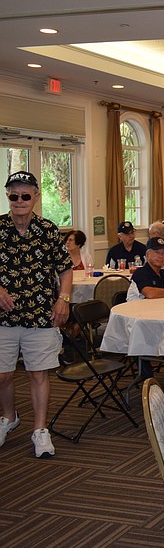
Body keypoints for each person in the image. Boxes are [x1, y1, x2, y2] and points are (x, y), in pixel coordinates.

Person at [0, 171, 73, 458]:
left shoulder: (49, 230)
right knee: (4, 376)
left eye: (25, 195)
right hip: (4, 317)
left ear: (35, 196)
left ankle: (40, 429)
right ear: (8, 197)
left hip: (41, 315)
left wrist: (63, 299)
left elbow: (65, 269)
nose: (19, 201)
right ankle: (8, 417)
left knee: (38, 373)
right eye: (13, 196)